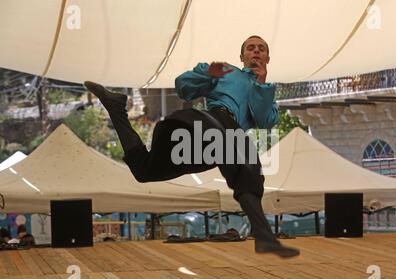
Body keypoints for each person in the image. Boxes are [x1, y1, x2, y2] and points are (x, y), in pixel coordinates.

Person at [84, 35, 299, 258]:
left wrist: (261, 84)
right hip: (212, 123)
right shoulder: (229, 71)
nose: (256, 51)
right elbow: (183, 88)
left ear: (268, 57)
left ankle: (116, 110)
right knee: (245, 167)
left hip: (214, 147)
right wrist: (206, 74)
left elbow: (264, 121)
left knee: (144, 171)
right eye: (251, 48)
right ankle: (264, 236)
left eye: (261, 48)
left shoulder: (267, 93)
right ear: (242, 56)